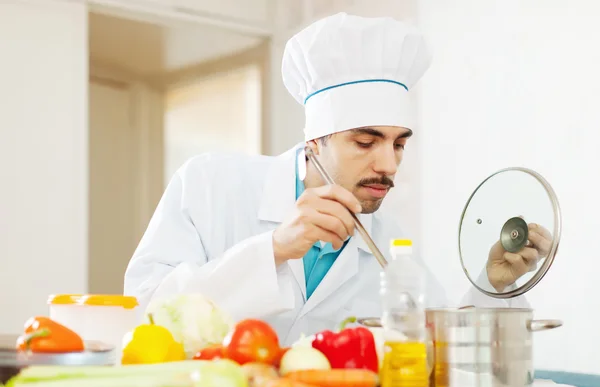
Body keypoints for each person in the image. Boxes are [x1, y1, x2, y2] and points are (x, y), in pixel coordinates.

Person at [124, 13, 549, 344]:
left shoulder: (389, 245)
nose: (389, 165)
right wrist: (272, 250)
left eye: (399, 144)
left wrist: (491, 287)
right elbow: (143, 316)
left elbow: (434, 349)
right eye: (366, 142)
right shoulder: (209, 185)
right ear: (315, 142)